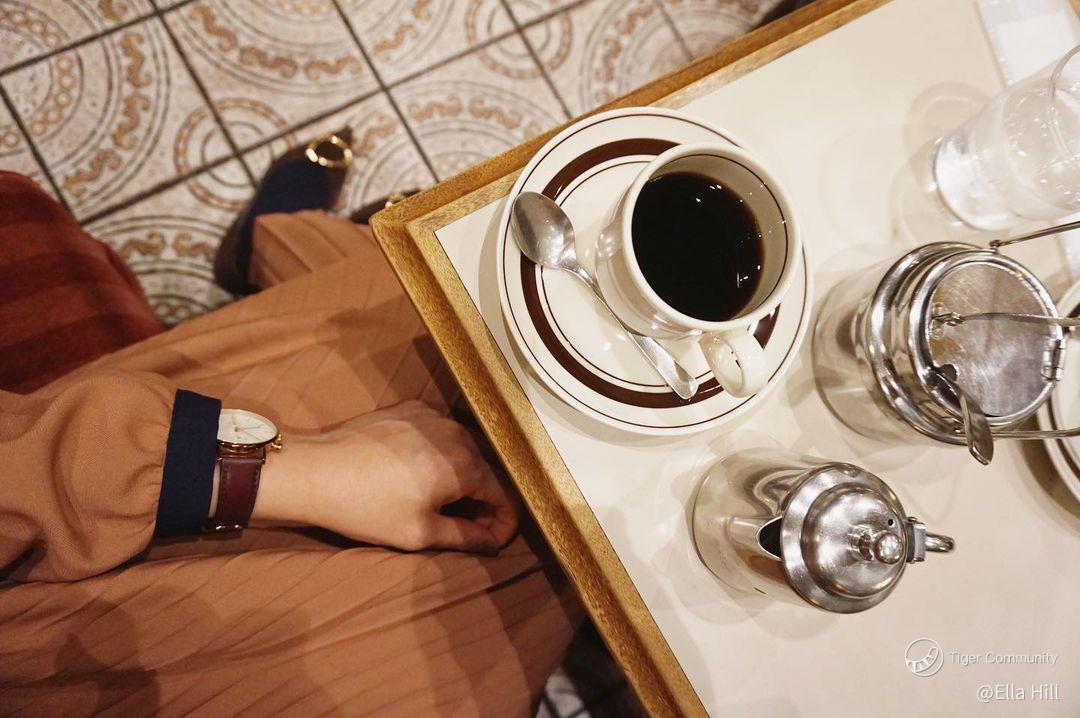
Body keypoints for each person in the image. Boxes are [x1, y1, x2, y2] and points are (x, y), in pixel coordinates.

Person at [0, 139, 582, 716]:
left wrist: (280, 473)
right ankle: (293, 238)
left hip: (95, 565)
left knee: (421, 311)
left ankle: (277, 240)